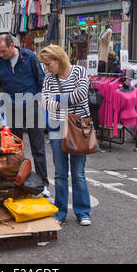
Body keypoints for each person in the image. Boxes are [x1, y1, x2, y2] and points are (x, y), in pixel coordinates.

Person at [0, 34, 50, 197]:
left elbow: (41, 81)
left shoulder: (29, 57)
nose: (1, 55)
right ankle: (20, 182)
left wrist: (38, 99)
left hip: (31, 105)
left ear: (12, 46)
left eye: (3, 51)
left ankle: (43, 184)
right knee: (15, 149)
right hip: (12, 107)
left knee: (38, 147)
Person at [39, 44, 92, 226]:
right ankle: (60, 212)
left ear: (58, 60)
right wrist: (68, 98)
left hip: (78, 126)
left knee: (78, 173)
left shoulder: (79, 72)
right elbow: (45, 102)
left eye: (48, 64)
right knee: (60, 173)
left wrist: (57, 100)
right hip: (56, 127)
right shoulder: (48, 78)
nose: (46, 68)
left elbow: (82, 95)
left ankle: (83, 212)